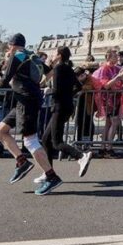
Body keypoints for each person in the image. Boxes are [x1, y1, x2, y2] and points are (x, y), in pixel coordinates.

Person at [0, 33, 61, 195]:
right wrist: (39, 84)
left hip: (26, 100)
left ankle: (51, 176)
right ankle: (22, 161)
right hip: (25, 100)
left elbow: (3, 81)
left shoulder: (17, 57)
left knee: (30, 140)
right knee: (0, 131)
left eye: (9, 46)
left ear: (12, 45)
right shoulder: (33, 56)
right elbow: (50, 71)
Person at [39, 47, 91, 179]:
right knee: (46, 139)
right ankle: (48, 171)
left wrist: (48, 90)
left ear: (59, 55)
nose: (52, 55)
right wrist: (68, 96)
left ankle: (80, 156)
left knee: (56, 142)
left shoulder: (58, 68)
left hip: (59, 107)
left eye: (54, 53)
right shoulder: (68, 68)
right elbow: (78, 86)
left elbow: (56, 90)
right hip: (67, 106)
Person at [92, 49, 123, 157]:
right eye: (114, 56)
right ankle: (108, 147)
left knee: (109, 123)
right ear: (108, 57)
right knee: (114, 122)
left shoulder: (118, 68)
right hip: (108, 98)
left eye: (117, 56)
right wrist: (118, 77)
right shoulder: (104, 69)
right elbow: (106, 85)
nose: (117, 58)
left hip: (117, 97)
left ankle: (103, 147)